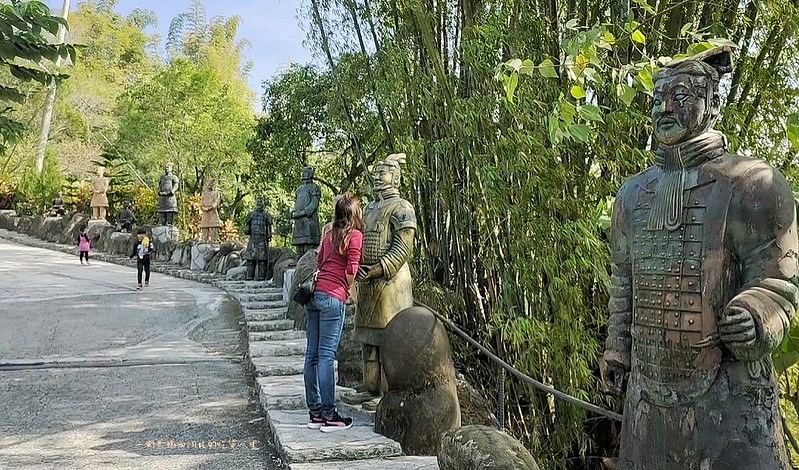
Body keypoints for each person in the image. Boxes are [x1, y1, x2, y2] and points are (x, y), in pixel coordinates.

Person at [602, 46, 798, 468]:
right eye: (658, 100)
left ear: (712, 103)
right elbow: (624, 279)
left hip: (728, 404)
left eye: (682, 96)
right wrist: (618, 347)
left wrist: (756, 314)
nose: (665, 108)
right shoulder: (632, 195)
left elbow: (778, 283)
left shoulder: (755, 185)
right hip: (647, 397)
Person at [304, 192, 363, 433]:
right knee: (327, 356)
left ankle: (315, 412)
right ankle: (330, 415)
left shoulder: (329, 235)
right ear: (353, 213)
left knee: (313, 355)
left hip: (315, 296)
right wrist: (348, 290)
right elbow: (352, 268)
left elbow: (319, 262)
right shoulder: (355, 236)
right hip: (333, 297)